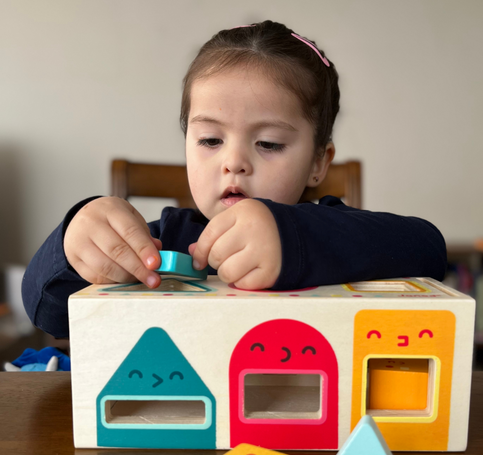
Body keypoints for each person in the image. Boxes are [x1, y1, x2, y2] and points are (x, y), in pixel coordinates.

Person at [22, 20, 447, 339]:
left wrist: (292, 237)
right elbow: (48, 312)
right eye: (210, 139)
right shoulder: (167, 240)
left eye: (269, 143)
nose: (234, 162)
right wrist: (74, 242)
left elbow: (428, 250)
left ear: (319, 162)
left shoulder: (327, 230)